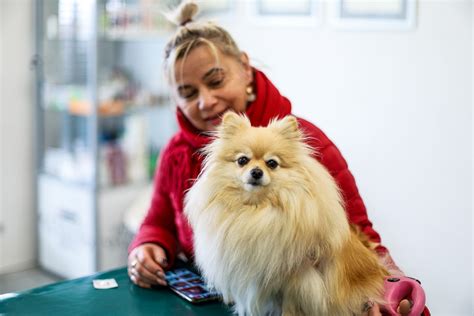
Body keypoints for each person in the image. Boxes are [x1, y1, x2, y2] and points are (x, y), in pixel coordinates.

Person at [127, 2, 428, 315]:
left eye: (216, 81)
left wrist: (386, 292)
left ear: (245, 68)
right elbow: (158, 221)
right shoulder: (175, 153)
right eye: (188, 92)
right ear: (174, 97)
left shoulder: (308, 147)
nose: (206, 100)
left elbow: (362, 236)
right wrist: (147, 246)